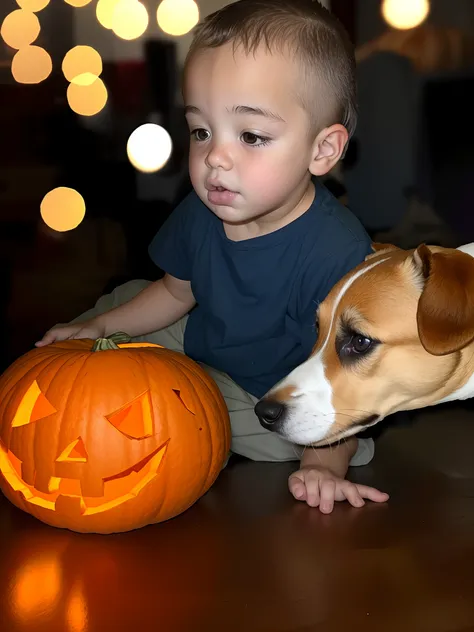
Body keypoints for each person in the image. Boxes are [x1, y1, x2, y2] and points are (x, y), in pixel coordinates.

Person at [36, 0, 388, 513]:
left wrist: (319, 465)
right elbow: (177, 291)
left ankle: (321, 449)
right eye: (202, 131)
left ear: (322, 151)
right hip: (203, 335)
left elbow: (338, 377)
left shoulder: (334, 253)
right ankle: (77, 378)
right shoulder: (207, 209)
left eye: (251, 136)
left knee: (291, 438)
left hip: (273, 388)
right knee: (127, 299)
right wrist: (100, 328)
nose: (215, 158)